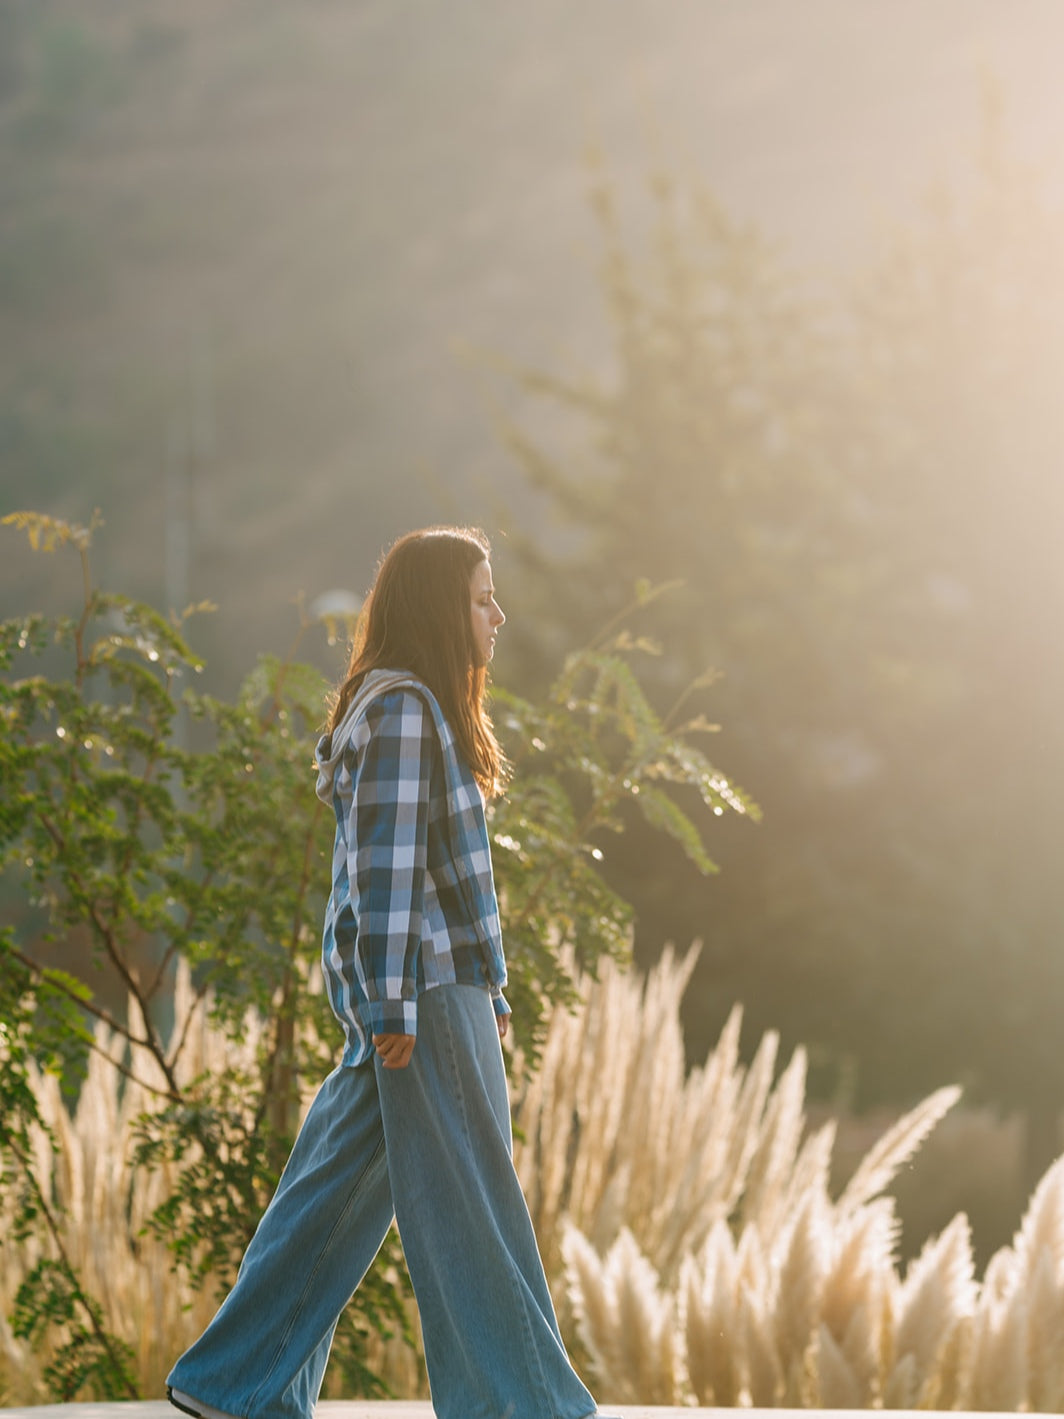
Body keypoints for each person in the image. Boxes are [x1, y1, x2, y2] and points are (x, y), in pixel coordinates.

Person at [167, 526, 606, 1419]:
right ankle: (518, 1406)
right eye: (482, 597)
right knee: (472, 1201)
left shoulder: (407, 709)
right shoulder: (405, 713)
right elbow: (387, 877)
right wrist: (398, 1005)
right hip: (425, 994)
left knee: (339, 1190)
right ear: (442, 607)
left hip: (435, 989)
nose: (498, 615)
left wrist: (490, 986)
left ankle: (234, 1381)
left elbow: (418, 876)